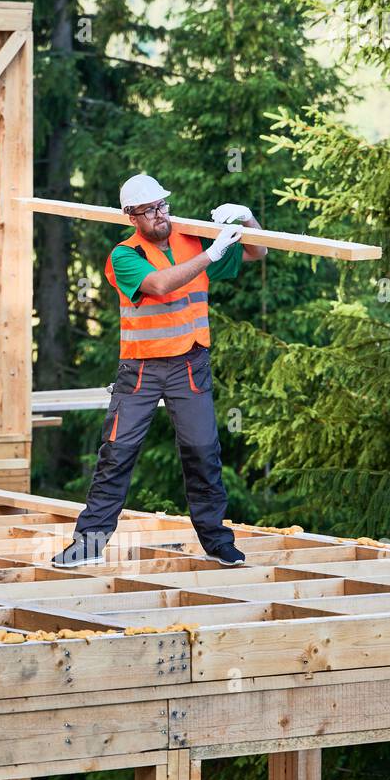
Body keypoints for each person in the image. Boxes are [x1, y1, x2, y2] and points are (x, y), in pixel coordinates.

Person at [52, 173, 267, 568]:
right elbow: (161, 285)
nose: (159, 215)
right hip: (141, 369)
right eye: (149, 211)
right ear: (131, 217)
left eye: (162, 206)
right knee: (116, 453)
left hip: (190, 362)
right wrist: (211, 255)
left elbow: (258, 253)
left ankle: (218, 542)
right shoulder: (124, 255)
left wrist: (248, 219)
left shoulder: (192, 240)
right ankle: (88, 544)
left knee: (203, 452)